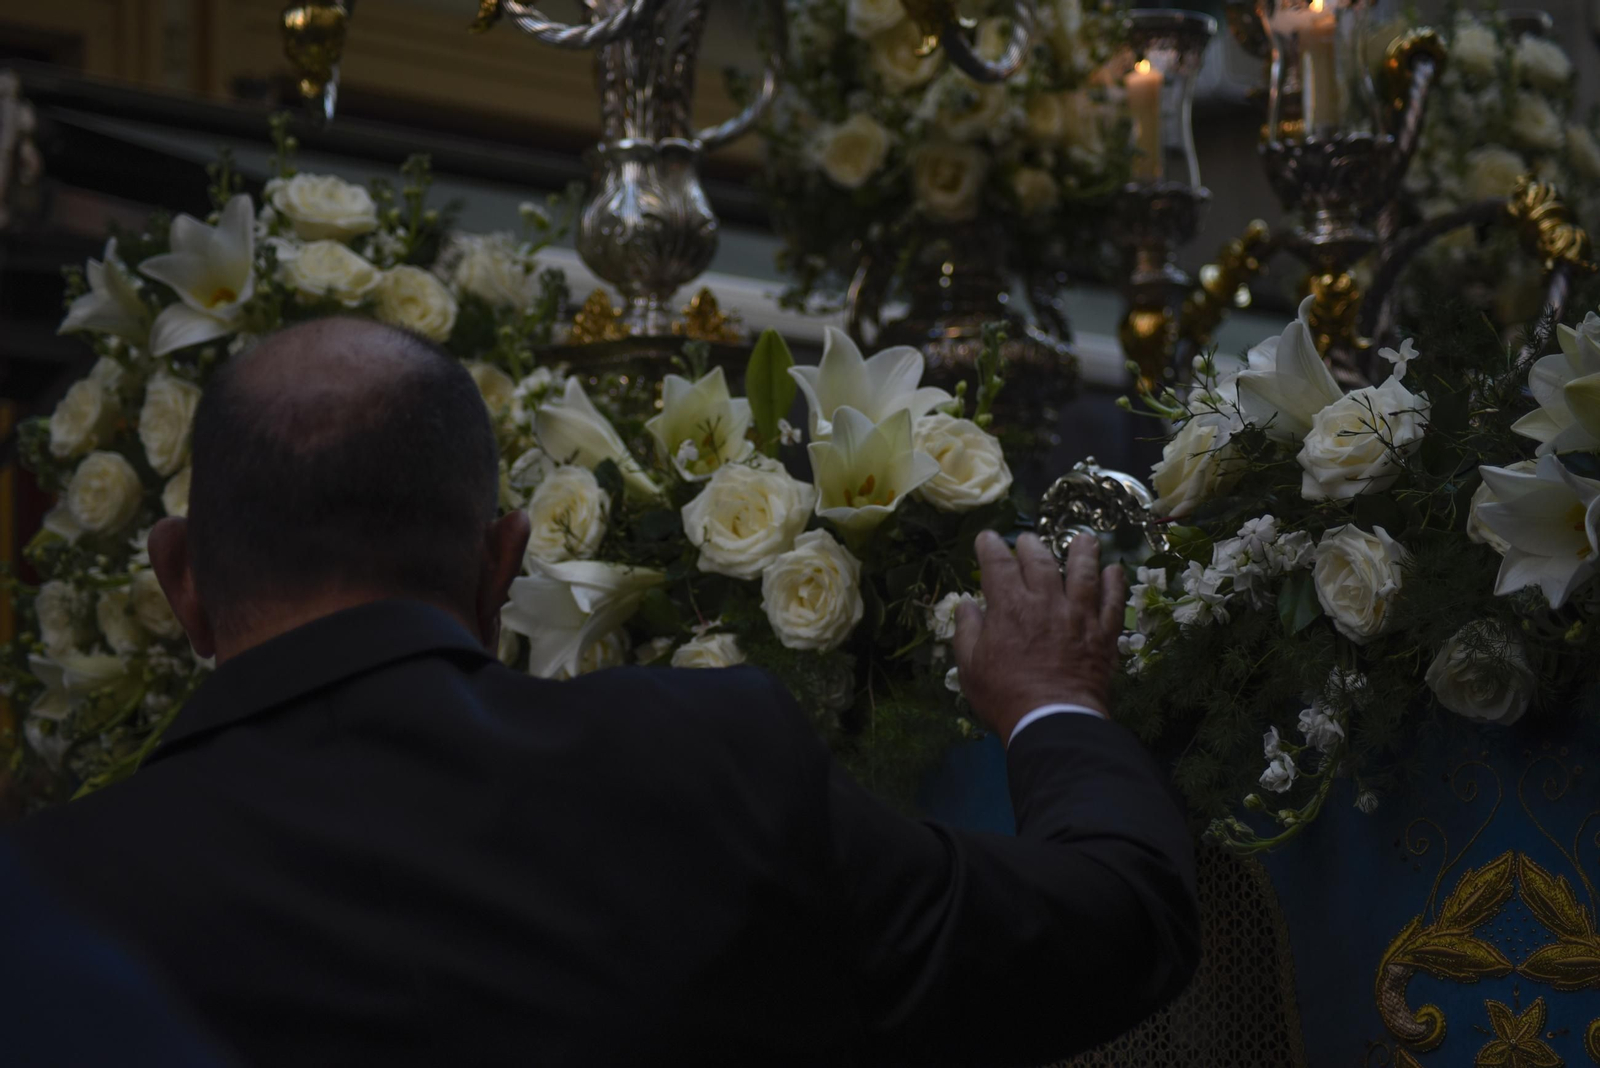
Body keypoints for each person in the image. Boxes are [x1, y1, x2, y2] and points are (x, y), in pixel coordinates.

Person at [8, 318, 1197, 1067]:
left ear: (178, 580)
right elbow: (1111, 927)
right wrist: (1052, 699)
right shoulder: (695, 764)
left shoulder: (47, 902)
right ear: (501, 561)